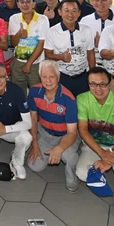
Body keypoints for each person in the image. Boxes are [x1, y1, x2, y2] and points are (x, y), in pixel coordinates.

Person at [75, 68, 114, 215]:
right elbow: (83, 130)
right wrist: (102, 154)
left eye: (102, 84)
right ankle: (103, 171)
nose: (98, 89)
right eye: (93, 84)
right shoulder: (82, 99)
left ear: (110, 84)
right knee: (82, 173)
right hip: (93, 146)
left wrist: (108, 160)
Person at [27, 60, 80, 191]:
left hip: (66, 135)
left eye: (52, 76)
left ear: (58, 77)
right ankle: (36, 149)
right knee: (35, 166)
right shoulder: (34, 92)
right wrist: (34, 144)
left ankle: (72, 177)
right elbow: (33, 119)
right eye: (44, 77)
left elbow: (72, 132)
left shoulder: (69, 99)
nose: (48, 81)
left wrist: (59, 148)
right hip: (45, 133)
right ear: (40, 77)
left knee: (70, 157)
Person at [43, 0, 97, 96]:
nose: (70, 15)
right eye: (66, 11)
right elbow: (48, 54)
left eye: (74, 11)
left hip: (82, 77)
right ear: (59, 12)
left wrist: (92, 74)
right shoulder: (52, 31)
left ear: (79, 13)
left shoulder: (86, 30)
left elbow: (90, 52)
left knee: (82, 106)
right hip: (61, 77)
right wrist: (61, 57)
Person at [8, 0, 49, 94]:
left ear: (33, 3)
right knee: (18, 93)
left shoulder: (43, 19)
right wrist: (19, 34)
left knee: (37, 93)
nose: (25, 4)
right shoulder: (14, 18)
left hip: (36, 64)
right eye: (21, 1)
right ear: (18, 4)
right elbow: (14, 43)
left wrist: (28, 64)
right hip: (18, 62)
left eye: (28, 1)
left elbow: (41, 45)